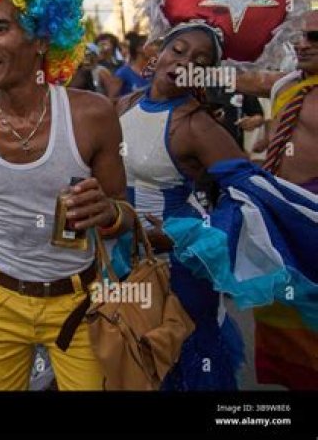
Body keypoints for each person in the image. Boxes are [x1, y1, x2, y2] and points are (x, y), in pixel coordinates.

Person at [0, 0, 134, 391]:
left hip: (78, 302)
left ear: (44, 41)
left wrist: (107, 212)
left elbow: (124, 213)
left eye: (0, 27)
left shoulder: (91, 116)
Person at [116, 22, 248, 390]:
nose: (184, 61)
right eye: (178, 50)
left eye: (199, 60)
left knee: (185, 360)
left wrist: (184, 237)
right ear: (158, 52)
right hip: (124, 259)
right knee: (131, 352)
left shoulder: (197, 125)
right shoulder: (123, 104)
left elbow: (245, 198)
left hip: (179, 268)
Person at [234, 10, 318, 388]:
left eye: (315, 38)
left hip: (313, 221)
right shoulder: (288, 85)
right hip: (279, 218)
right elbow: (246, 80)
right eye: (300, 37)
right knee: (283, 322)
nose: (302, 44)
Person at [110, 33, 157, 98]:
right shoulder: (122, 73)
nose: (155, 48)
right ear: (139, 48)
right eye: (151, 45)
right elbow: (111, 99)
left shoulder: (155, 71)